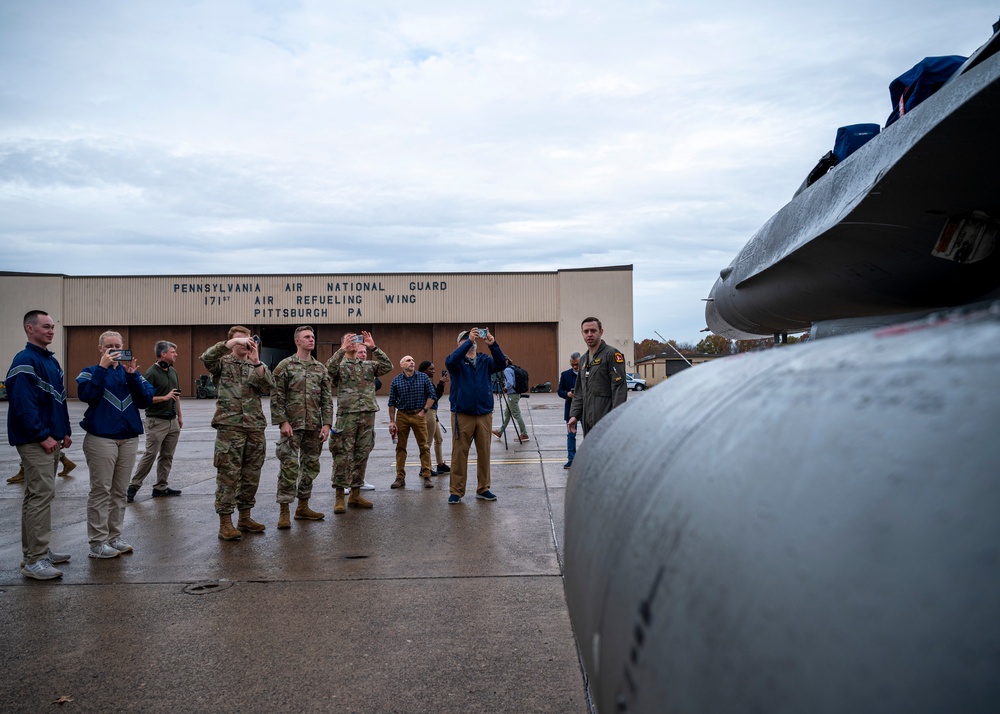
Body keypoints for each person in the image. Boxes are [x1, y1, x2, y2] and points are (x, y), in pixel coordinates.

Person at [6, 310, 73, 580]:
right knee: (40, 497)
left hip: (50, 438)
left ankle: (37, 551)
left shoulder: (49, 361)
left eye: (53, 327)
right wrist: (41, 435)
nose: (51, 331)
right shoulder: (25, 360)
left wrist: (64, 431)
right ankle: (35, 561)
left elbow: (59, 400)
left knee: (37, 497)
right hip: (37, 442)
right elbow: (23, 405)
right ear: (29, 328)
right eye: (45, 327)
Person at [77, 331, 155, 559]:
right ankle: (97, 542)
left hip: (128, 437)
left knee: (120, 491)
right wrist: (101, 369)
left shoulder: (131, 373)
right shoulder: (90, 372)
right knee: (101, 490)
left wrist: (133, 375)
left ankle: (114, 537)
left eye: (117, 346)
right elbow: (87, 395)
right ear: (100, 348)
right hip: (102, 438)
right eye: (109, 346)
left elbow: (146, 400)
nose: (113, 350)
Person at [201, 326, 275, 541]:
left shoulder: (256, 364)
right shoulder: (222, 363)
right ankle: (225, 522)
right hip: (230, 426)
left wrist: (256, 360)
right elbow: (206, 358)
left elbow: (269, 385)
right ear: (231, 343)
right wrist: (229, 345)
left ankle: (245, 516)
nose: (245, 344)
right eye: (239, 341)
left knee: (252, 474)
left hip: (254, 427)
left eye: (248, 339)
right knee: (228, 475)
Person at [271, 326, 333, 528]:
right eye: (307, 337)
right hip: (292, 426)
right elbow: (276, 396)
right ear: (297, 341)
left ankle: (303, 507)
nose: (311, 339)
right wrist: (282, 421)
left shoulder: (320, 368)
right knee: (289, 468)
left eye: (313, 336)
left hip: (314, 426)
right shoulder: (285, 366)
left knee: (310, 467)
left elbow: (327, 399)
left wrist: (326, 424)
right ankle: (284, 511)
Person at [326, 331, 391, 514]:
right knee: (342, 456)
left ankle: (355, 494)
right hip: (347, 416)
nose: (354, 343)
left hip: (367, 416)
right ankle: (340, 496)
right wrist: (341, 350)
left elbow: (388, 366)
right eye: (349, 340)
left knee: (362, 455)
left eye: (356, 340)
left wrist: (373, 347)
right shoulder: (340, 365)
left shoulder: (368, 366)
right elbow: (327, 373)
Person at [444, 328, 507, 504]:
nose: (470, 341)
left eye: (472, 338)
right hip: (462, 412)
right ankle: (456, 490)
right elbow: (451, 360)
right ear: (459, 345)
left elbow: (502, 363)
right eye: (464, 339)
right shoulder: (456, 362)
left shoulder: (485, 360)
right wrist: (466, 344)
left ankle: (483, 488)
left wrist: (493, 344)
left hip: (484, 412)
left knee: (484, 452)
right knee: (459, 452)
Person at [127, 340, 183, 503]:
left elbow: (176, 396)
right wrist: (164, 398)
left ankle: (161, 487)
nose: (176, 354)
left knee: (167, 456)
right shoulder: (151, 373)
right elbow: (143, 398)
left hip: (172, 421)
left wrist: (179, 416)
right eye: (173, 352)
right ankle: (133, 487)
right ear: (163, 354)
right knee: (150, 455)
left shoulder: (173, 372)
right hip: (156, 421)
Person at [568, 317, 627, 437]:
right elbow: (579, 391)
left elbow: (619, 388)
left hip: (606, 419)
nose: (589, 334)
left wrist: (616, 418)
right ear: (582, 334)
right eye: (586, 331)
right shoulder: (583, 359)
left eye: (593, 331)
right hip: (587, 420)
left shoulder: (611, 355)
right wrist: (574, 415)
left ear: (601, 332)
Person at [387, 355, 437, 489]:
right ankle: (400, 477)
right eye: (408, 361)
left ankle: (427, 476)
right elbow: (391, 402)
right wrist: (392, 421)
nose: (412, 362)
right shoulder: (396, 381)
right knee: (400, 447)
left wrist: (424, 411)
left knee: (424, 446)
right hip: (402, 415)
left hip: (418, 414)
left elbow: (432, 395)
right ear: (402, 365)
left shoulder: (423, 377)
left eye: (413, 360)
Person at [417, 361, 449, 475]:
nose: (433, 371)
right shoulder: (424, 380)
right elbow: (434, 396)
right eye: (431, 369)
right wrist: (440, 383)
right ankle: (425, 467)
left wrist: (441, 384)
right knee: (428, 441)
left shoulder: (424, 379)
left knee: (439, 439)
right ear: (425, 370)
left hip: (433, 412)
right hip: (429, 412)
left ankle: (440, 465)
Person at [492, 358, 529, 443]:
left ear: (506, 361)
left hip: (512, 394)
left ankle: (524, 434)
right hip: (516, 394)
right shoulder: (512, 368)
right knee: (507, 413)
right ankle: (500, 432)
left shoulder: (507, 370)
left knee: (516, 414)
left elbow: (510, 383)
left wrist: (505, 388)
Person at [557, 352, 581, 469]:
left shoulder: (588, 373)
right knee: (571, 435)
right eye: (572, 365)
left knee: (590, 434)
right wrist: (568, 394)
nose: (575, 367)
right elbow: (559, 391)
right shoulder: (565, 375)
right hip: (571, 408)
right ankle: (571, 458)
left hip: (586, 407)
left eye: (576, 364)